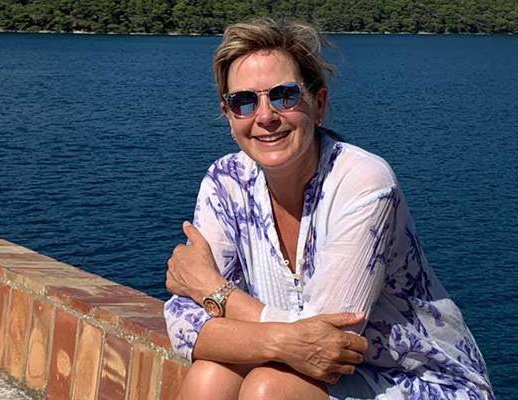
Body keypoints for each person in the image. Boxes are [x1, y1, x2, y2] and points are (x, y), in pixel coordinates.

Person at [163, 18, 494, 400]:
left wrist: (212, 289)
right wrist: (280, 340)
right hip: (310, 371)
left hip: (422, 381)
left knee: (267, 390)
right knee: (211, 375)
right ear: (228, 115)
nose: (265, 116)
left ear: (318, 103)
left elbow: (329, 344)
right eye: (244, 102)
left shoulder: (363, 183)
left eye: (284, 96)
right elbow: (182, 323)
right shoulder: (225, 183)